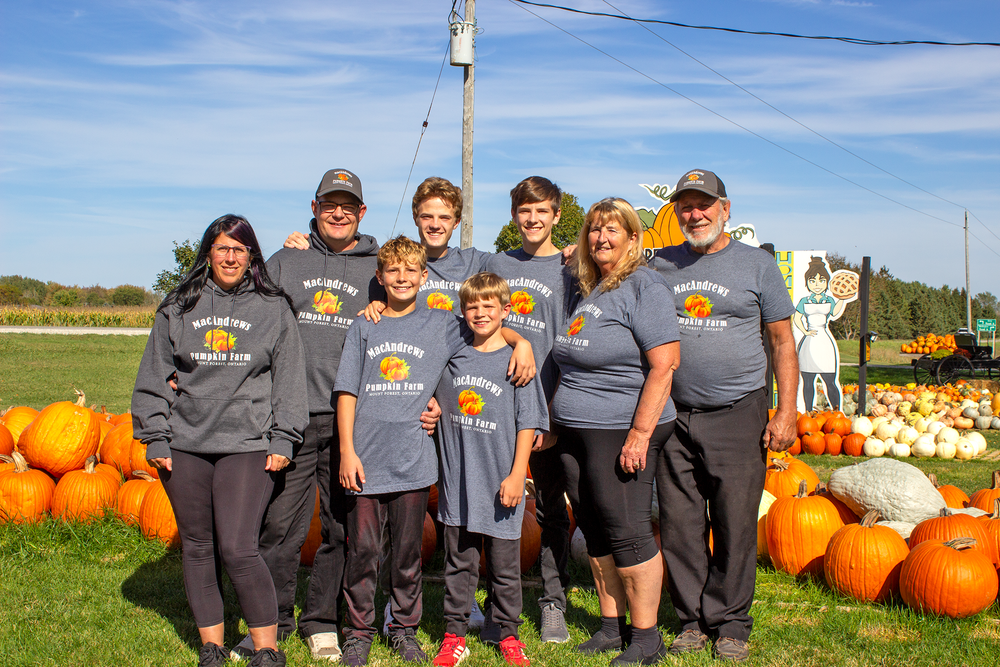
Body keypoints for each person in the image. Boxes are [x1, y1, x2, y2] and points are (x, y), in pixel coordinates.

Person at [247, 169, 441, 663]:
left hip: (352, 423)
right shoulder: (288, 260)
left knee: (340, 530)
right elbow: (248, 313)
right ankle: (270, 621)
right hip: (290, 415)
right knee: (281, 527)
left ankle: (322, 622)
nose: (338, 213)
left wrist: (436, 392)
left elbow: (422, 326)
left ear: (362, 212)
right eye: (329, 205)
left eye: (348, 206)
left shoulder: (377, 267)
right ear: (314, 208)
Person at [332, 236, 534, 667]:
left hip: (414, 459)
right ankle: (359, 632)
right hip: (365, 458)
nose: (402, 278)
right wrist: (347, 450)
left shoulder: (444, 324)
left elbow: (488, 325)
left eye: (411, 270)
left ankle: (404, 629)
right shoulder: (365, 325)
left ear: (424, 277)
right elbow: (347, 391)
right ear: (380, 276)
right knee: (363, 552)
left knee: (408, 555)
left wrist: (523, 342)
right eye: (393, 270)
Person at [131, 214, 309, 667]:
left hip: (247, 443)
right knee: (197, 546)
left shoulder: (273, 308)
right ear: (208, 254)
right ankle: (211, 645)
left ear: (251, 256)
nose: (230, 257)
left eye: (239, 249)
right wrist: (155, 437)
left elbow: (290, 380)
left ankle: (267, 648)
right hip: (186, 443)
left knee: (238, 548)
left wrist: (283, 439)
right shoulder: (179, 306)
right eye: (222, 248)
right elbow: (153, 377)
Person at [649, 169, 798, 662]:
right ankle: (691, 621)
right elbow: (610, 268)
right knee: (680, 524)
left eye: (704, 204)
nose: (695, 214)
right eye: (686, 206)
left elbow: (782, 341)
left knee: (735, 523)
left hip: (738, 412)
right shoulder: (659, 264)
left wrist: (786, 411)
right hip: (673, 414)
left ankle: (731, 623)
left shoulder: (757, 265)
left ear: (725, 208)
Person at [549, 198, 681, 666]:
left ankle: (646, 638)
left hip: (621, 427)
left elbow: (665, 365)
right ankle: (611, 626)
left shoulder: (645, 286)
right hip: (577, 430)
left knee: (627, 530)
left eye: (612, 230)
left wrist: (639, 434)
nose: (602, 238)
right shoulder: (592, 287)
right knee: (594, 526)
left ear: (633, 237)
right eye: (594, 229)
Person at [431, 272, 549, 667]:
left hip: (502, 483)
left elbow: (528, 422)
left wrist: (517, 475)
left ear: (505, 310)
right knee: (459, 563)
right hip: (459, 481)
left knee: (505, 567)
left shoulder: (517, 363)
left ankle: (508, 633)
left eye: (488, 306)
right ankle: (454, 634)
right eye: (472, 306)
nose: (480, 313)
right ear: (462, 311)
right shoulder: (452, 355)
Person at [483, 176, 577, 643]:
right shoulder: (496, 263)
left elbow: (578, 340)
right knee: (495, 504)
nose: (533, 219)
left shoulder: (571, 270)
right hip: (498, 407)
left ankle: (553, 601)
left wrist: (553, 413)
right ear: (513, 214)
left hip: (550, 405)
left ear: (557, 216)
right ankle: (496, 602)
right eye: (525, 210)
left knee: (551, 510)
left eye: (542, 211)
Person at [793, 256, 846, 411]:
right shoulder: (804, 300)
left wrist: (843, 299)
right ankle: (808, 411)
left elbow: (835, 312)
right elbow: (796, 317)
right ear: (807, 282)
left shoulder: (829, 300)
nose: (817, 284)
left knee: (830, 380)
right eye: (812, 280)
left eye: (821, 280)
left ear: (826, 282)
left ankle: (837, 411)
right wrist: (805, 331)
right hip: (809, 342)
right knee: (808, 381)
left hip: (824, 342)